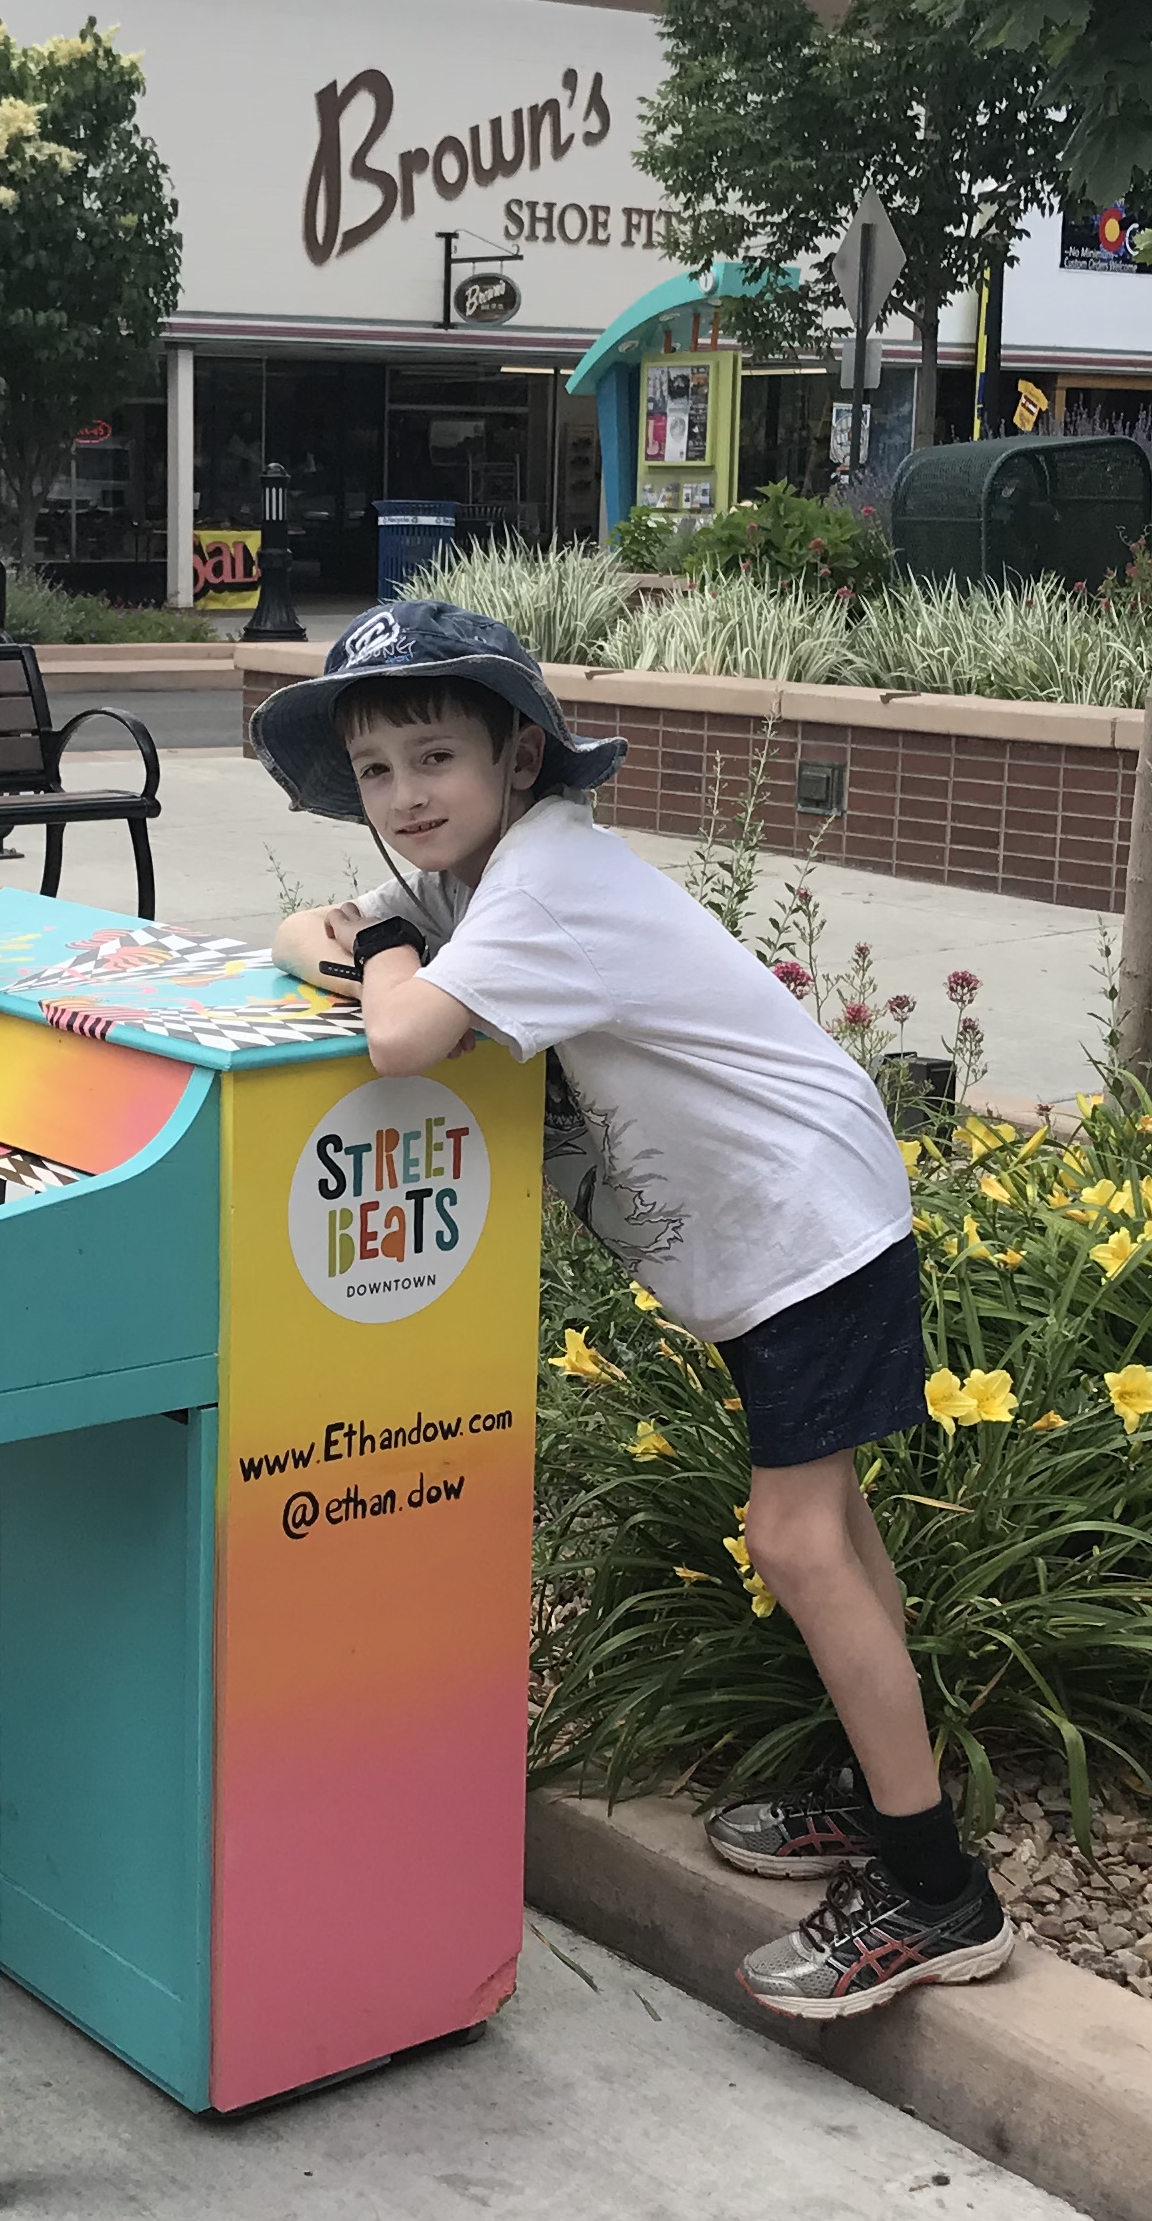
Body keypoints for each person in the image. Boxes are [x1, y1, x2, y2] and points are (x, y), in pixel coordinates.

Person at [258, 602, 1010, 2018]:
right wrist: (373, 938)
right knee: (836, 1530)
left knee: (796, 1540)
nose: (406, 796)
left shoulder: (542, 881)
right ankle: (885, 1795)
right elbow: (312, 927)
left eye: (436, 757)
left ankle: (935, 1889)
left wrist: (380, 948)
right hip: (793, 1220)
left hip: (805, 1226)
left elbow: (402, 1034)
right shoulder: (483, 882)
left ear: (519, 757)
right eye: (374, 771)